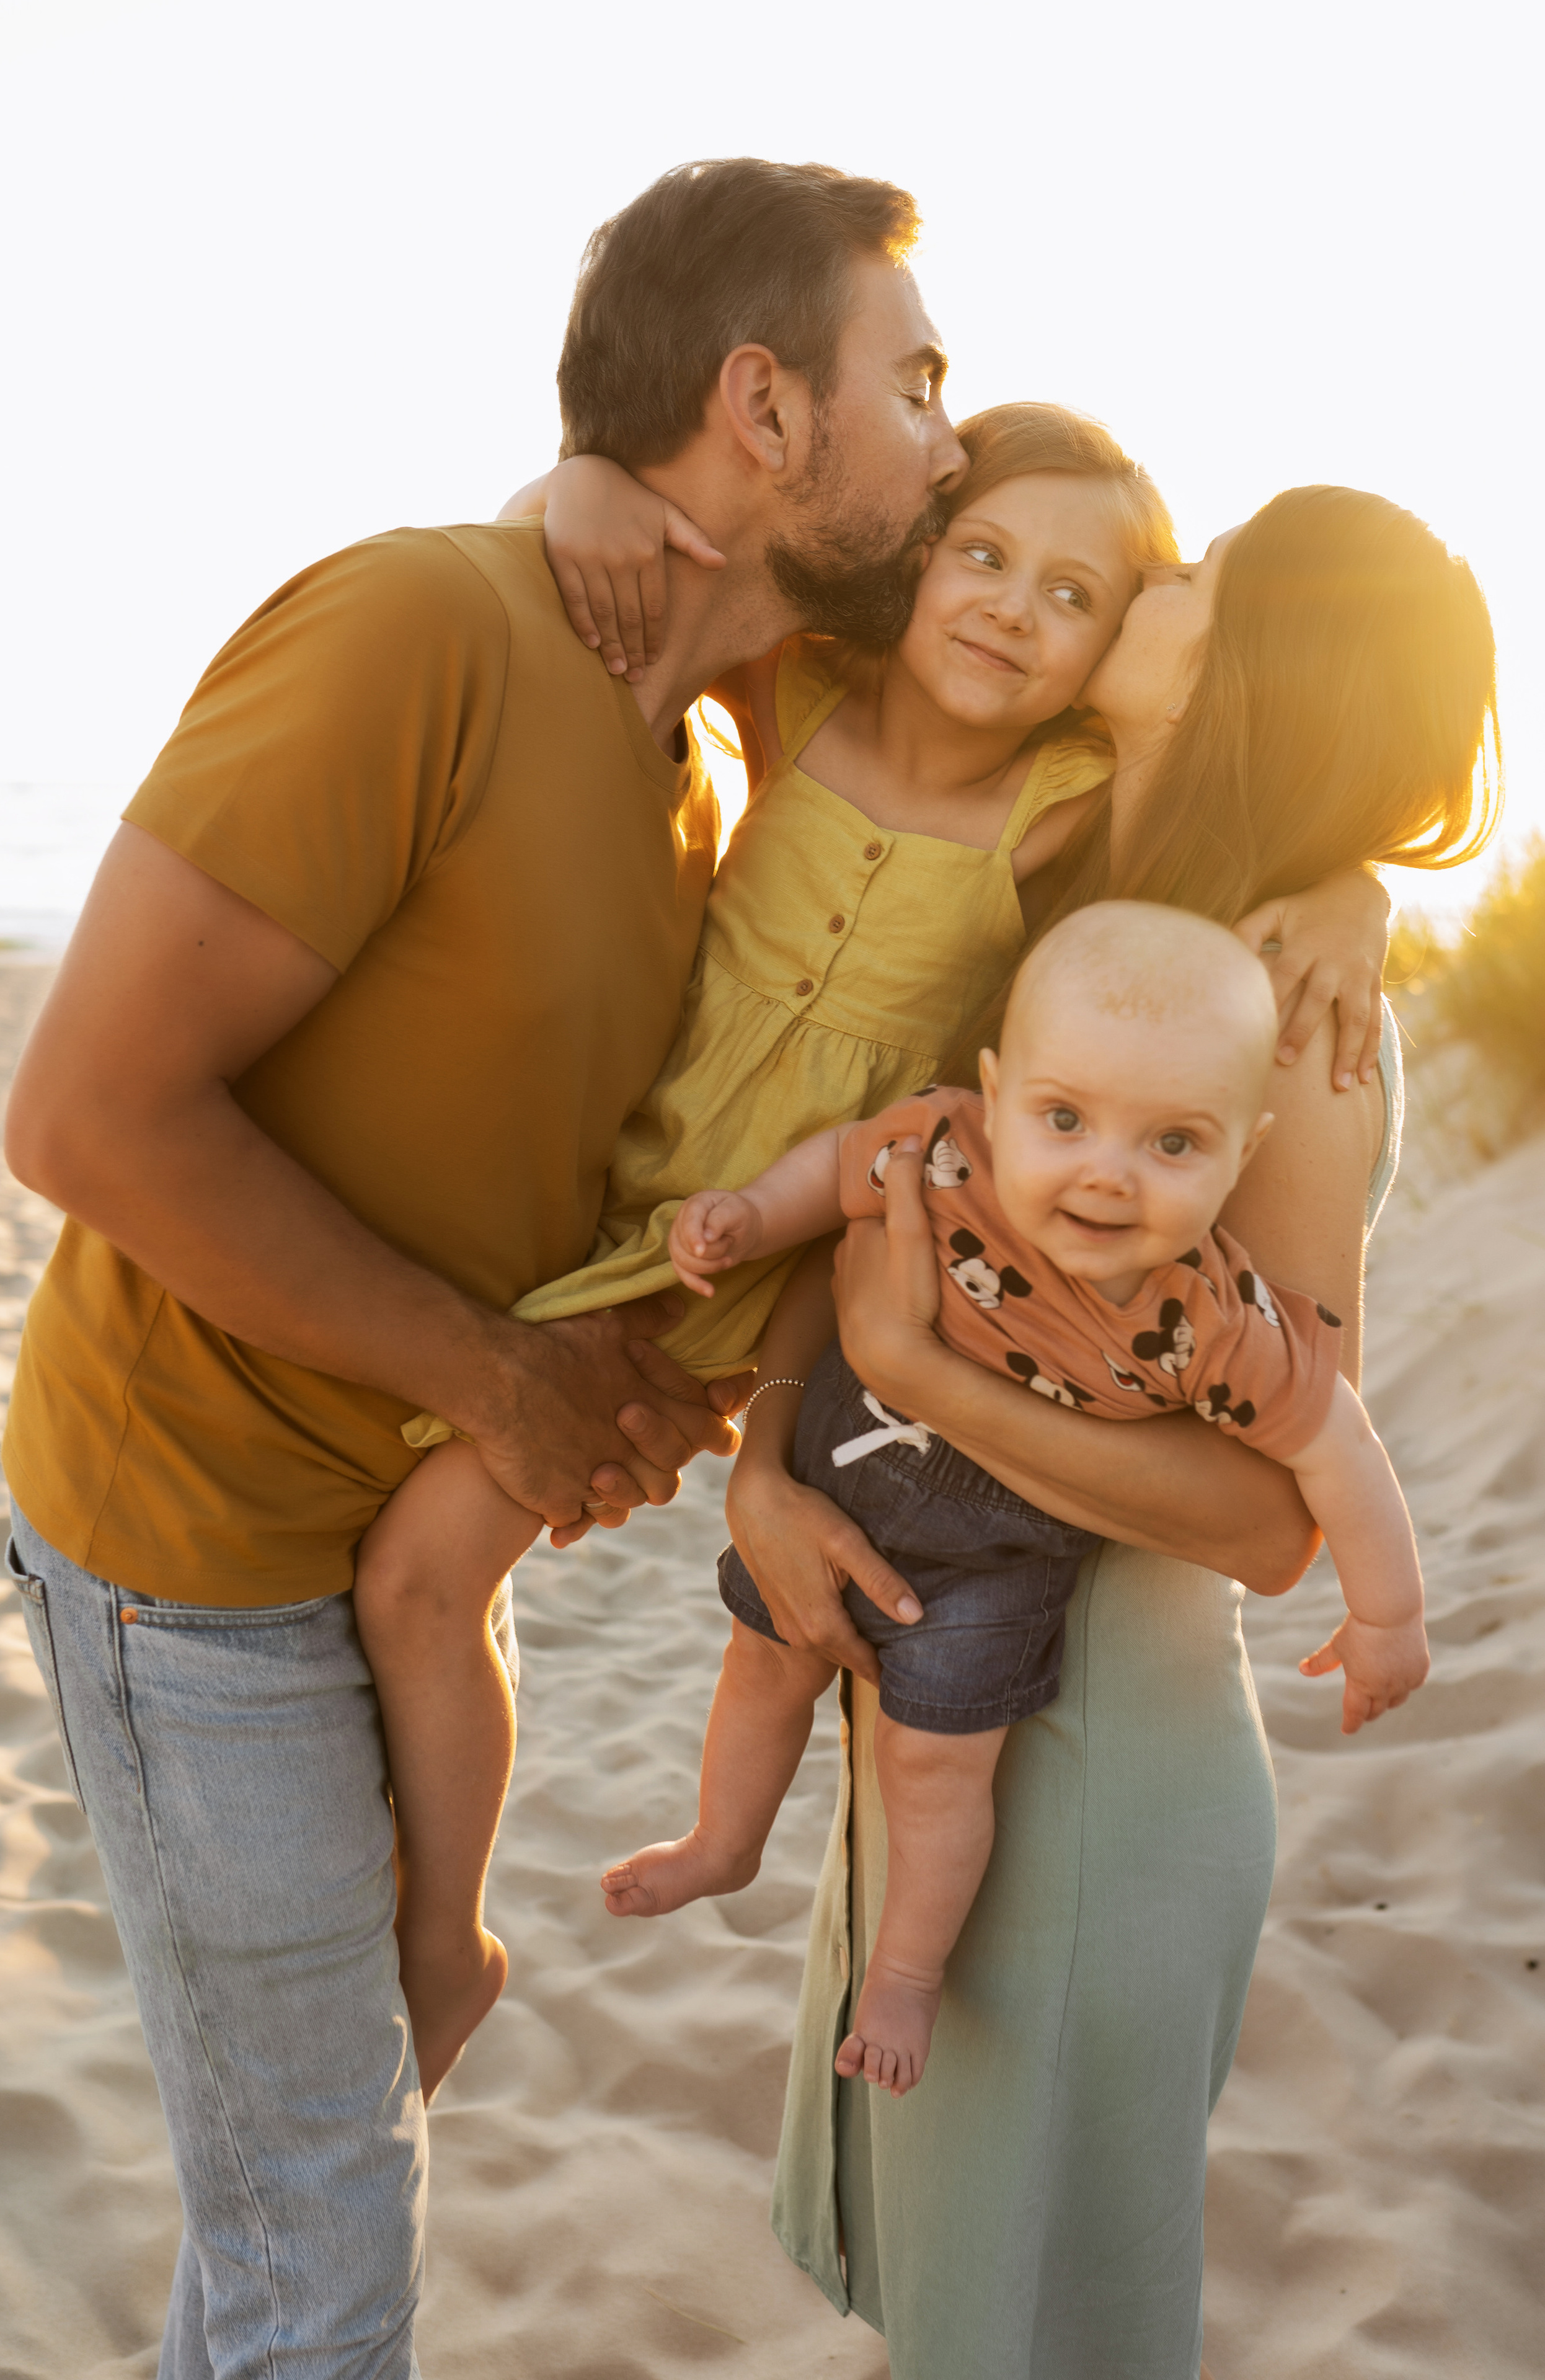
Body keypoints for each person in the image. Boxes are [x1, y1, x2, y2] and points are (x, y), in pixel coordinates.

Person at [0, 156, 969, 2376]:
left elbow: (1085, 647)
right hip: (196, 1548)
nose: (949, 431)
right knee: (326, 2235)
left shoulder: (726, 753)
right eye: (913, 378)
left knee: (294, 2190)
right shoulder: (424, 628)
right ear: (763, 404)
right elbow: (79, 1116)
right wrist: (504, 1379)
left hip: (396, 1536)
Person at [348, 406, 1391, 2106]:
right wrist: (589, 484)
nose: (1029, 609)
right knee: (398, 1534)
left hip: (812, 1259)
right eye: (981, 557)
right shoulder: (808, 690)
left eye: (1102, 589)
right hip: (680, 1203)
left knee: (421, 1569)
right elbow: (641, 586)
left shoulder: (1074, 812)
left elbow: (1247, 837)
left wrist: (1359, 888)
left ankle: (443, 1936)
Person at [724, 487, 1499, 2376]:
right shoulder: (1080, 902)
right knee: (965, 2306)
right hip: (951, 1730)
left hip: (1091, 1779)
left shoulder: (1288, 1033)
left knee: (1033, 2332)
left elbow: (1267, 1514)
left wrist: (935, 1383)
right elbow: (890, 1203)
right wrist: (766, 1462)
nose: (1156, 583)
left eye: (1201, 577)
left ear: (1246, 678)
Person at [598, 902, 1427, 2102]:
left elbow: (1340, 1449)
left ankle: (907, 1974)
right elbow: (832, 1173)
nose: (1107, 1172)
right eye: (1065, 1119)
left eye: (1174, 1145)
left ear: (1245, 1154)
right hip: (847, 1459)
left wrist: (1388, 1613)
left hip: (997, 1558)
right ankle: (722, 1843)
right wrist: (748, 1215)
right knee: (764, 1659)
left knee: (938, 1766)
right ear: (994, 1092)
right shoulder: (944, 1147)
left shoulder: (1216, 1321)